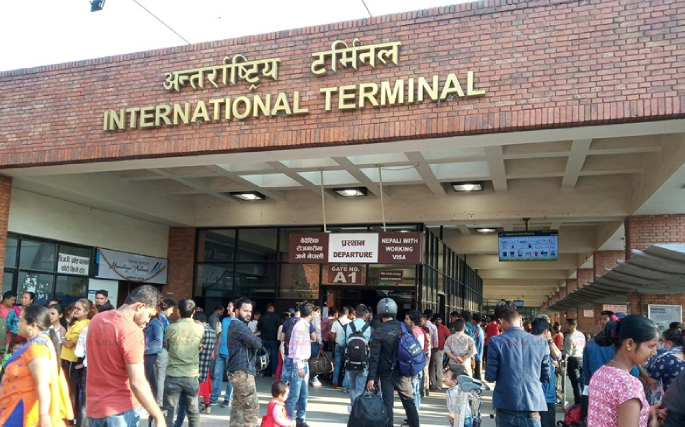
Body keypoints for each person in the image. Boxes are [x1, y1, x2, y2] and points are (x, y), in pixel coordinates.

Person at [86, 285, 166, 427]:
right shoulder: (131, 331)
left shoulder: (97, 319)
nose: (148, 321)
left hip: (94, 407)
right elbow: (138, 382)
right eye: (149, 315)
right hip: (121, 409)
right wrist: (158, 416)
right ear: (140, 306)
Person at [0, 305, 74, 427]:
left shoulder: (37, 347)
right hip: (14, 409)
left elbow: (43, 383)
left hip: (23, 413)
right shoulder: (36, 344)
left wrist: (43, 416)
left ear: (32, 325)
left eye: (21, 320)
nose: (17, 324)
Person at [588, 315, 661, 427]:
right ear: (629, 344)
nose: (654, 352)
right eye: (651, 346)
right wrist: (653, 424)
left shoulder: (600, 373)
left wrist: (645, 411)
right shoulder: (629, 384)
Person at [485, 301, 550, 427]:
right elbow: (546, 376)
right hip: (532, 404)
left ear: (501, 321)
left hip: (506, 403)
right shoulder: (541, 342)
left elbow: (490, 376)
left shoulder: (496, 341)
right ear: (520, 318)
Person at [365, 298, 420, 427]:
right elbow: (413, 349)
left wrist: (371, 378)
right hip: (404, 371)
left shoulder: (379, 330)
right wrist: (415, 369)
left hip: (386, 374)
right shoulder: (405, 327)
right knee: (409, 402)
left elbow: (374, 356)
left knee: (387, 404)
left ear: (380, 313)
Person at [582, 311, 639, 418]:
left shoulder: (590, 343)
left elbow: (586, 372)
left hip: (596, 394)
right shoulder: (624, 347)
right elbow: (634, 373)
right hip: (621, 397)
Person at [163, 298, 204, 427]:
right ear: (193, 311)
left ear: (178, 311)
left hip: (173, 375)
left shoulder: (170, 328)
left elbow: (167, 348)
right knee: (193, 413)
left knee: (168, 412)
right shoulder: (200, 328)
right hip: (191, 376)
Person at [226, 297, 264, 427]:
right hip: (243, 371)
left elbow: (253, 342)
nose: (248, 314)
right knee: (251, 406)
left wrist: (252, 341)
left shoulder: (236, 325)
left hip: (237, 370)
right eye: (245, 311)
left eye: (250, 311)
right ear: (237, 310)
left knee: (238, 406)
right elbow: (257, 343)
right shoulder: (238, 326)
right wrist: (254, 341)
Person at [61, 298, 96, 426]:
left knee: (72, 391)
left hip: (74, 360)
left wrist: (61, 336)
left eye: (78, 309)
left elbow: (69, 344)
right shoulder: (77, 323)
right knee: (68, 389)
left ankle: (71, 418)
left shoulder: (85, 325)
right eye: (74, 308)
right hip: (68, 359)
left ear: (86, 311)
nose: (75, 310)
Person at [283, 301, 315, 427]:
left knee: (303, 395)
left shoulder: (303, 325)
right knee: (294, 396)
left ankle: (300, 421)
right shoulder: (301, 327)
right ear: (311, 313)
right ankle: (289, 421)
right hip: (298, 364)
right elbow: (297, 348)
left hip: (301, 363)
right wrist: (300, 366)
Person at [343, 303, 372, 412]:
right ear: (366, 314)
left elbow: (341, 342)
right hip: (364, 363)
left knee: (352, 387)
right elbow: (372, 345)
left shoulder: (347, 327)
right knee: (360, 388)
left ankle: (353, 407)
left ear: (355, 313)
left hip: (349, 362)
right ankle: (358, 410)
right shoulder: (369, 328)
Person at [531, 317, 557, 427]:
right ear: (546, 331)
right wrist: (550, 340)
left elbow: (557, 356)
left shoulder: (525, 342)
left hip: (534, 393)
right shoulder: (540, 343)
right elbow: (557, 356)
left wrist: (549, 341)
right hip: (544, 392)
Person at [644, 325, 685, 392]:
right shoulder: (682, 352)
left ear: (669, 343)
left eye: (661, 341)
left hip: (670, 396)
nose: (659, 343)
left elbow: (651, 380)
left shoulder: (665, 359)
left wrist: (639, 366)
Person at [212, 299, 236, 407]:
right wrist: (217, 349)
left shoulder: (237, 322)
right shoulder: (225, 320)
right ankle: (214, 397)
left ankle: (228, 399)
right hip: (221, 352)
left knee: (230, 377)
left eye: (229, 306)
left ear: (235, 308)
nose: (227, 308)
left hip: (231, 354)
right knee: (217, 375)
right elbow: (221, 335)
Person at [155, 299, 176, 406]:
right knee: (161, 376)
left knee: (155, 376)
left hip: (152, 351)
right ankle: (160, 401)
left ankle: (155, 399)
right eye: (171, 309)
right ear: (166, 308)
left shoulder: (154, 317)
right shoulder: (163, 319)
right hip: (162, 349)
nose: (171, 312)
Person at [405, 309, 427, 412]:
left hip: (413, 364)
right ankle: (416, 411)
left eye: (407, 319)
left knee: (412, 390)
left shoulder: (412, 332)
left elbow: (411, 350)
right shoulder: (420, 331)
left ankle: (413, 413)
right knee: (416, 390)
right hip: (419, 363)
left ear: (412, 320)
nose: (405, 321)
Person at [563, 318, 586, 405]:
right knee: (581, 382)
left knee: (576, 384)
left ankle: (578, 403)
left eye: (566, 324)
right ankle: (584, 402)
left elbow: (567, 353)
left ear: (571, 326)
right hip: (581, 359)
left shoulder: (569, 337)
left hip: (573, 360)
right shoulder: (581, 335)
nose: (564, 326)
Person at [257, 302, 282, 378]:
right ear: (272, 308)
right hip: (274, 339)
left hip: (264, 339)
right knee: (274, 357)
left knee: (262, 356)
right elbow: (280, 327)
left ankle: (261, 372)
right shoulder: (277, 317)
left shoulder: (262, 317)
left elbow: (259, 327)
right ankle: (274, 373)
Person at [144, 307, 164, 399]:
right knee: (151, 380)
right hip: (146, 353)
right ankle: (154, 402)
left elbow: (158, 342)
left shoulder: (156, 323)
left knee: (145, 379)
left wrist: (143, 347)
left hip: (149, 354)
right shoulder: (147, 321)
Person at [331, 306, 351, 389]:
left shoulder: (335, 323)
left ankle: (334, 382)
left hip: (338, 344)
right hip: (348, 346)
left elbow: (332, 336)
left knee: (337, 364)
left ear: (340, 313)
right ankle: (345, 385)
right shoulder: (351, 323)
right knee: (347, 365)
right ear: (348, 314)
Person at [423, 309, 439, 391]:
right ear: (431, 316)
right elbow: (435, 338)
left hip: (423, 348)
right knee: (431, 367)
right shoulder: (433, 326)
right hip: (431, 348)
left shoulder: (422, 325)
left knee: (424, 367)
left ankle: (424, 385)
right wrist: (436, 346)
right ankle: (431, 384)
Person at [309, 305, 323, 387]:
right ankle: (313, 378)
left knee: (307, 360)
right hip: (314, 341)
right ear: (318, 311)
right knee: (314, 360)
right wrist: (320, 342)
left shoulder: (306, 317)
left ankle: (307, 377)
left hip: (306, 341)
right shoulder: (316, 317)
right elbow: (318, 330)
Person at [470, 313, 485, 381]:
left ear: (474, 320)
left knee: (477, 378)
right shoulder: (479, 330)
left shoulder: (477, 331)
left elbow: (476, 344)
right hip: (478, 355)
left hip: (476, 356)